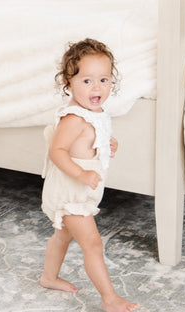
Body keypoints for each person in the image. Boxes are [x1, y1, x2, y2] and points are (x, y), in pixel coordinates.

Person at [40, 38, 139, 312]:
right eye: (87, 81)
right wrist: (82, 174)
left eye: (104, 80)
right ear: (68, 82)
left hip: (82, 189)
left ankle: (48, 276)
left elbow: (92, 140)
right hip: (71, 192)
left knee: (62, 236)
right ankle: (109, 298)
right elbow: (57, 151)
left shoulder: (95, 112)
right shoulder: (74, 118)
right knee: (93, 244)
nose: (97, 87)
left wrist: (108, 144)